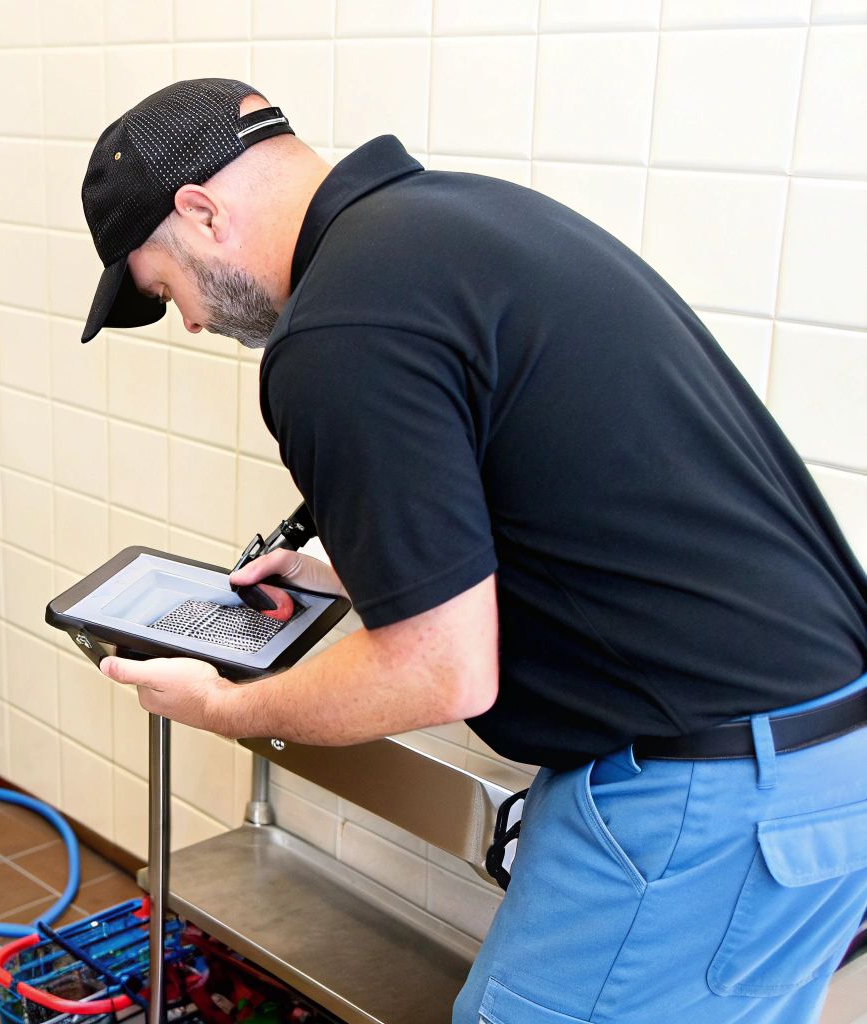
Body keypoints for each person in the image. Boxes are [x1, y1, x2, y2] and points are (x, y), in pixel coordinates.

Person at [76, 78, 867, 1023]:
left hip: (706, 794)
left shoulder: (337, 332)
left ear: (200, 212)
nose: (195, 323)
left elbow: (441, 676)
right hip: (822, 764)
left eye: (167, 290)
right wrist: (354, 582)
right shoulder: (461, 221)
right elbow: (579, 515)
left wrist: (225, 706)